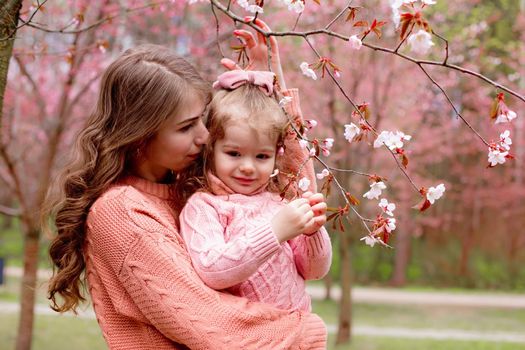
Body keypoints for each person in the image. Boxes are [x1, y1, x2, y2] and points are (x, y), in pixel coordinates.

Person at [43, 39, 328, 349]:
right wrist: (305, 331)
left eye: (201, 121)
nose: (205, 137)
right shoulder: (121, 212)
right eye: (187, 127)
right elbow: (208, 321)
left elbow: (283, 194)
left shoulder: (186, 185)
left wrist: (266, 98)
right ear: (140, 136)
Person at [177, 70, 332, 313]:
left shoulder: (278, 202)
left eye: (261, 156)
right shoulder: (205, 206)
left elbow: (314, 271)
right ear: (211, 150)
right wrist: (274, 231)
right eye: (234, 153)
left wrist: (313, 234)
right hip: (247, 335)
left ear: (275, 156)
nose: (247, 167)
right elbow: (212, 270)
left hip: (296, 333)